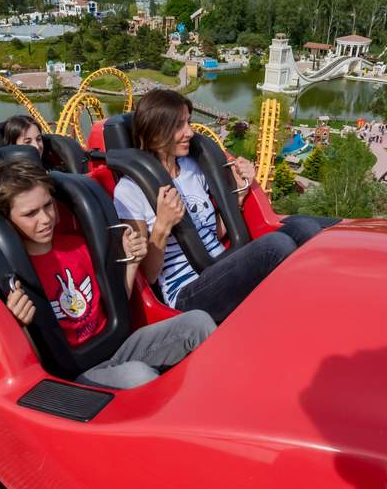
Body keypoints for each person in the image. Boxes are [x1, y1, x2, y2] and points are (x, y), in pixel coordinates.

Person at [0, 159, 214, 389]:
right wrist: (18, 325)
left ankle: (222, 391)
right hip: (77, 373)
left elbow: (115, 303)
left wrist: (131, 263)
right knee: (139, 376)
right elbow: (29, 365)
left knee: (198, 321)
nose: (45, 219)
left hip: (115, 346)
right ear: (7, 220)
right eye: (30, 214)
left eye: (48, 206)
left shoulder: (78, 245)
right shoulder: (14, 277)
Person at [113, 89, 332, 323]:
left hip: (220, 264)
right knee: (274, 246)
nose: (190, 132)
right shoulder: (130, 190)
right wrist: (163, 226)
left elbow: (213, 232)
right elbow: (149, 274)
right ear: (156, 134)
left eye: (189, 122)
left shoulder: (191, 168)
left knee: (304, 228)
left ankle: (316, 304)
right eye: (179, 126)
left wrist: (239, 193)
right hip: (186, 291)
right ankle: (297, 316)